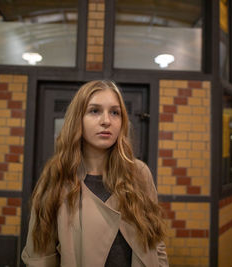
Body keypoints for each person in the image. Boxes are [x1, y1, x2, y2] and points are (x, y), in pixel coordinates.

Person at [22, 80, 169, 266]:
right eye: (94, 111)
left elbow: (156, 244)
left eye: (115, 112)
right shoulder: (57, 177)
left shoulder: (139, 173)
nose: (106, 121)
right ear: (78, 119)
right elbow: (39, 256)